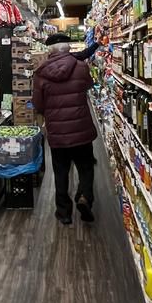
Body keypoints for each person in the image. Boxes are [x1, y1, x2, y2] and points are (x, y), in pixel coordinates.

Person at [32, 33, 99, 225]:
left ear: (50, 50)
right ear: (68, 48)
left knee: (61, 171)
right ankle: (85, 197)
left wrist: (51, 113)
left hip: (57, 133)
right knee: (86, 167)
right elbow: (88, 86)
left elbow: (38, 105)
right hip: (81, 128)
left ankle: (64, 213)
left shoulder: (40, 73)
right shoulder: (81, 67)